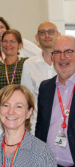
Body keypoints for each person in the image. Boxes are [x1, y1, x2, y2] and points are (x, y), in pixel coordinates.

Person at [0, 84, 57, 167]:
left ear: (29, 112)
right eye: (6, 105)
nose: (11, 112)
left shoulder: (42, 153)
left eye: (18, 106)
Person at [35, 35, 75, 167]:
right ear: (52, 57)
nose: (62, 57)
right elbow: (40, 127)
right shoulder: (45, 87)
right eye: (57, 52)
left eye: (68, 51)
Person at [21, 21, 60, 135]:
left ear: (58, 35)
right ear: (37, 37)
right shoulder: (29, 64)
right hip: (38, 125)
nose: (47, 35)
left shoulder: (66, 63)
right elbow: (26, 97)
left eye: (51, 32)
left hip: (65, 123)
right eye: (42, 32)